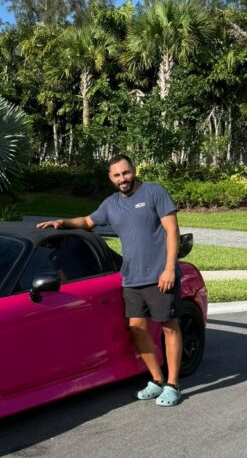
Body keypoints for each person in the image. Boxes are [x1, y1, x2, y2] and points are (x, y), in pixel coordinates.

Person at [37, 154, 184, 407]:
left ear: (134, 170)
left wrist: (169, 268)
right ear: (110, 178)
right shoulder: (111, 204)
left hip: (159, 275)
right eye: (117, 175)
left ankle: (173, 385)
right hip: (132, 278)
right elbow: (87, 221)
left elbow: (172, 230)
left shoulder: (154, 192)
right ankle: (157, 380)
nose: (122, 179)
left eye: (125, 173)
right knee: (137, 329)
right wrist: (62, 222)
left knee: (169, 327)